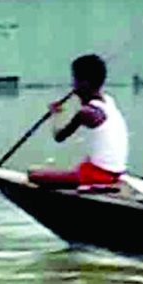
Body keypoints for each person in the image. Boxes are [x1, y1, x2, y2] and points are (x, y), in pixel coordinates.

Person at [29, 54, 129, 188]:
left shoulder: (86, 113)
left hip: (99, 175)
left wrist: (56, 115)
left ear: (84, 83)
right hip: (115, 172)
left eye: (75, 80)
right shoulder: (109, 101)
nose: (73, 86)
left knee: (33, 176)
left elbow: (59, 136)